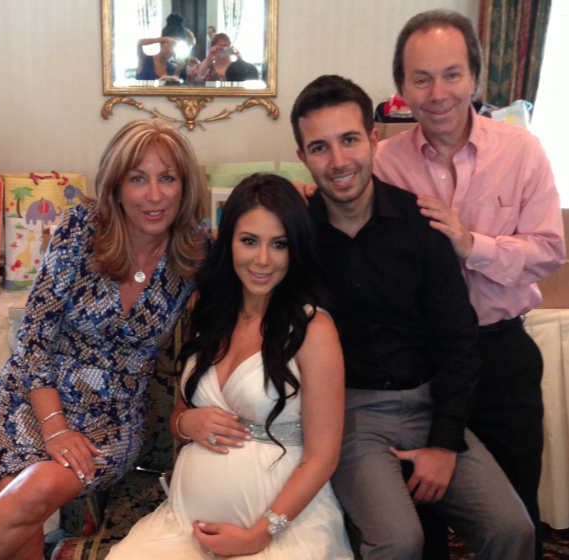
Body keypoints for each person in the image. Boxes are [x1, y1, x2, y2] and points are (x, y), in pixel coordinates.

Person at [289, 75, 533, 560]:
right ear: (302, 156)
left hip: (429, 402)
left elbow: (458, 341)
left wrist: (444, 443)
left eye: (349, 140)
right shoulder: (295, 235)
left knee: (514, 529)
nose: (338, 161)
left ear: (373, 139)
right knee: (400, 542)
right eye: (319, 147)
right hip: (347, 413)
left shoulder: (422, 225)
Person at [373, 10, 565, 558]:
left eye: (452, 74)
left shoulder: (522, 151)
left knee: (515, 518)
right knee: (420, 519)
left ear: (476, 77)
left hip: (500, 356)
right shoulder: (384, 164)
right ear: (401, 88)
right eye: (421, 78)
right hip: (420, 364)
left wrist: (470, 243)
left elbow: (550, 251)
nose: (438, 94)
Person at [0, 118, 206, 560]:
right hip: (27, 401)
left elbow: (265, 245)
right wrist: (54, 426)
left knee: (34, 489)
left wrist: (303, 200)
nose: (154, 195)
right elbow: (33, 338)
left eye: (168, 178)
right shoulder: (80, 229)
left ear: (185, 186)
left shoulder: (195, 252)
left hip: (109, 422)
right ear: (116, 186)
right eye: (138, 179)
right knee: (19, 524)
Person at [107, 174, 353, 560]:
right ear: (228, 241)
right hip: (184, 526)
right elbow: (179, 416)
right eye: (249, 241)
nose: (262, 260)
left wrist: (260, 535)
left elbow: (322, 457)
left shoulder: (313, 329)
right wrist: (186, 423)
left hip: (281, 531)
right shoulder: (210, 312)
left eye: (279, 244)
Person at [136, 15, 187, 81]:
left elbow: (172, 86)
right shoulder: (145, 60)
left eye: (175, 46)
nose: (172, 50)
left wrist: (178, 70)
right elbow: (140, 43)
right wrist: (164, 39)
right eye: (170, 44)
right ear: (162, 42)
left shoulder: (173, 67)